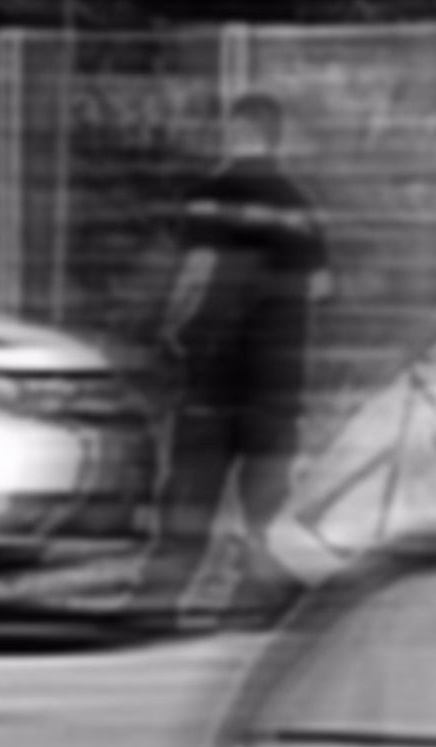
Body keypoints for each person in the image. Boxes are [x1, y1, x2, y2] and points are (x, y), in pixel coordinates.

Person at [150, 91, 332, 631]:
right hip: (275, 384)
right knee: (266, 508)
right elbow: (321, 288)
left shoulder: (208, 198)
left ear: (235, 132)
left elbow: (197, 272)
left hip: (213, 378)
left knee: (189, 500)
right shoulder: (300, 205)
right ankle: (258, 608)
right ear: (276, 137)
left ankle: (162, 604)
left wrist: (170, 330)